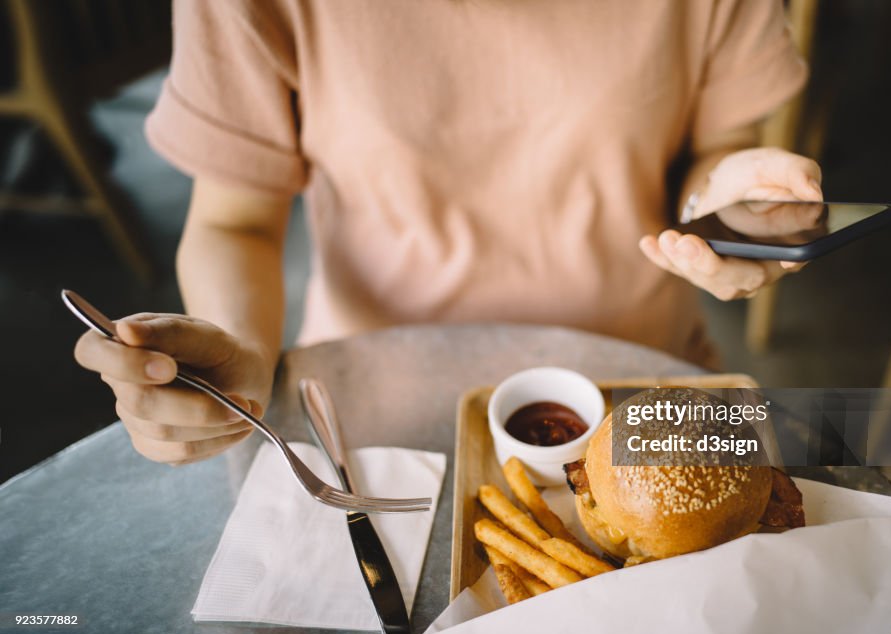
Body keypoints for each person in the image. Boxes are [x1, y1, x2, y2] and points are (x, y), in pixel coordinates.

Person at [74, 0, 823, 465]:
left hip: (641, 382)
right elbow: (235, 220)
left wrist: (723, 206)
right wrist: (239, 356)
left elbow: (713, 154)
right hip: (368, 410)